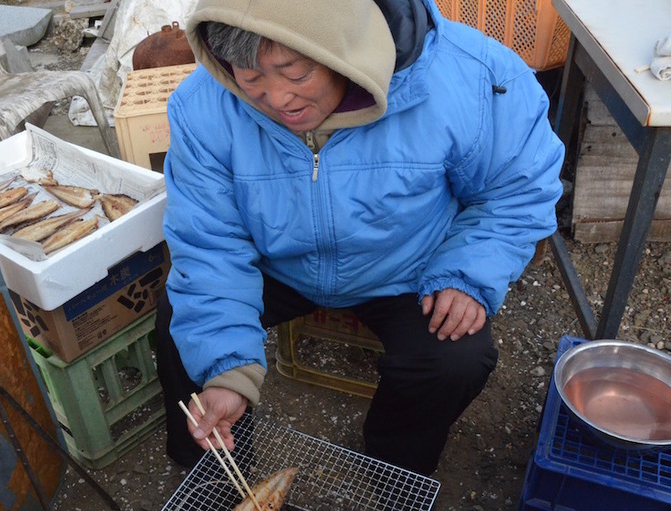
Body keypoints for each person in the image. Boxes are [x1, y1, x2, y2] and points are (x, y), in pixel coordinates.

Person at [155, 0, 565, 476]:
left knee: (456, 358)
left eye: (294, 71)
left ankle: (395, 463)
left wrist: (468, 272)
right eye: (251, 78)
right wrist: (226, 370)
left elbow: (518, 187)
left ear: (343, 47)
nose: (278, 98)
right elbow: (208, 242)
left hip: (407, 264)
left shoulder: (469, 77)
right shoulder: (203, 105)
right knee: (180, 327)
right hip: (277, 263)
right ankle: (215, 476)